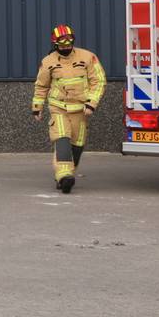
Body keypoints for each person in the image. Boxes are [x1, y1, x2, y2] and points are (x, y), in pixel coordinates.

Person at [32, 24, 106, 193]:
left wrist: (91, 103)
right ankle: (64, 175)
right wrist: (37, 107)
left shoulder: (88, 57)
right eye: (62, 42)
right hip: (58, 107)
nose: (66, 44)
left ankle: (66, 175)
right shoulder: (48, 62)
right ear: (55, 43)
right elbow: (41, 86)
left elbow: (99, 81)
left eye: (69, 41)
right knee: (62, 138)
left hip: (81, 109)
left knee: (77, 145)